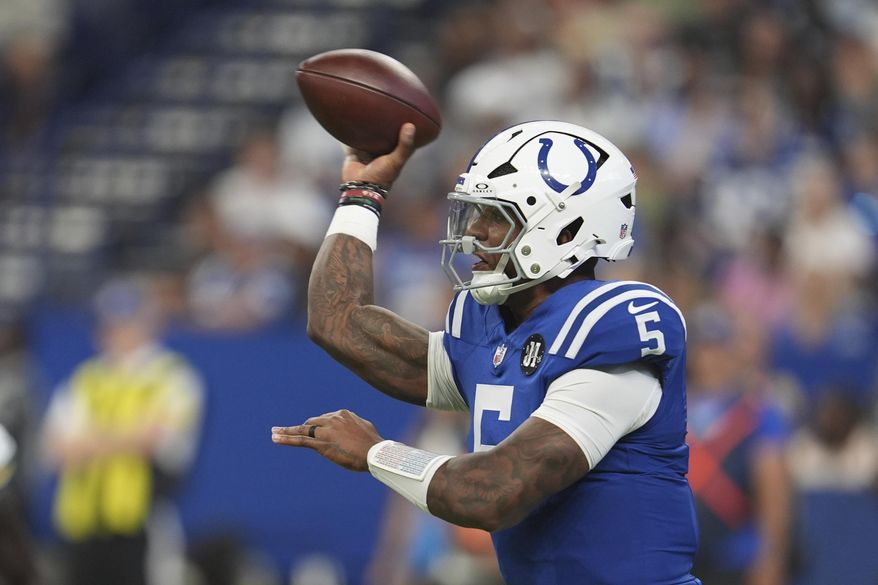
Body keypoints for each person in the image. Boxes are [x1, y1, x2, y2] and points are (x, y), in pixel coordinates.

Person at [272, 121, 701, 584]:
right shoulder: (493, 330)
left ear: (565, 231)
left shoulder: (608, 335)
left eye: (497, 216)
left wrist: (377, 453)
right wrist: (363, 193)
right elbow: (337, 320)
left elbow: (494, 493)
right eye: (476, 212)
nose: (474, 231)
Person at [43, 276, 204, 585]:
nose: (116, 330)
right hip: (84, 521)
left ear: (148, 322)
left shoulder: (171, 375)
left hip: (139, 519)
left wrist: (91, 440)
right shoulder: (85, 378)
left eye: (126, 321)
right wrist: (123, 437)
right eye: (110, 322)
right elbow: (57, 447)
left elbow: (153, 440)